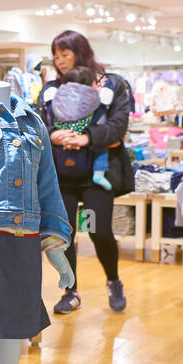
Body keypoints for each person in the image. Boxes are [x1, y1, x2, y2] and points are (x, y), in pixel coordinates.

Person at [39, 29, 131, 314]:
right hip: (61, 175)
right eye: (56, 57)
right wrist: (52, 135)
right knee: (63, 234)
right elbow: (39, 122)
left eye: (65, 55)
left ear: (81, 53)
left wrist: (87, 137)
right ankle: (70, 290)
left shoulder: (112, 85)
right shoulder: (51, 90)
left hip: (97, 174)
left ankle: (113, 280)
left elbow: (118, 125)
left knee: (98, 230)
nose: (61, 62)